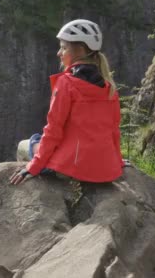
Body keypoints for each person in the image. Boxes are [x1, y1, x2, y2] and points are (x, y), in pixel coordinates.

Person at [10, 19, 124, 185]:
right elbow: (114, 131)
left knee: (29, 142)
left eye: (64, 47)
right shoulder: (110, 87)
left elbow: (54, 129)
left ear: (79, 49)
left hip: (73, 166)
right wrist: (118, 162)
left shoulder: (67, 84)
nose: (59, 53)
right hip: (105, 169)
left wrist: (33, 167)